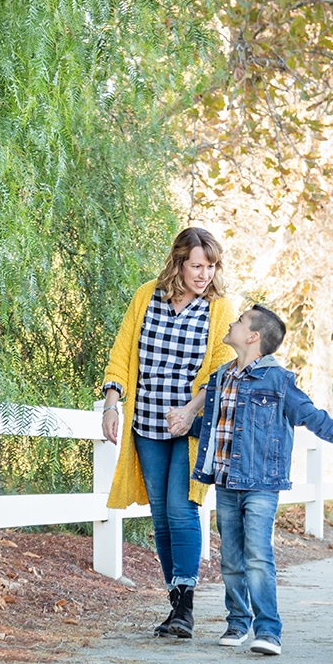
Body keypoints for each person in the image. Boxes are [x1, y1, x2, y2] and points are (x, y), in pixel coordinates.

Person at [171, 305, 333, 656]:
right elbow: (216, 426)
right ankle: (237, 621)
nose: (231, 323)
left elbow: (311, 416)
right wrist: (185, 424)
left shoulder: (278, 381)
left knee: (258, 554)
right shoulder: (221, 377)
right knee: (231, 557)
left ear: (253, 337)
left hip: (261, 483)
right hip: (225, 480)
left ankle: (268, 629)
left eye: (239, 321)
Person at [102, 228, 237, 639]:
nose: (204, 274)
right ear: (178, 263)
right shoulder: (147, 297)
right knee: (160, 514)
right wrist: (112, 402)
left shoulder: (219, 309)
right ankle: (174, 601)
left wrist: (190, 410)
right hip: (146, 422)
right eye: (196, 265)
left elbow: (221, 369)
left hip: (190, 426)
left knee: (181, 508)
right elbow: (122, 353)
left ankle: (186, 606)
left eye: (210, 266)